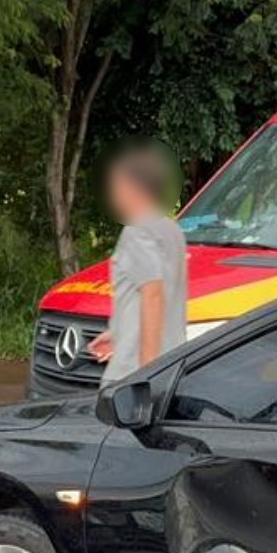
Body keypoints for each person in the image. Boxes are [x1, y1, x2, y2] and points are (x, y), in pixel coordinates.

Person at [90, 142, 187, 383]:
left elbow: (152, 293)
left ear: (132, 186)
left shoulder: (137, 231)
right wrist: (119, 333)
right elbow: (162, 296)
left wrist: (144, 377)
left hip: (132, 376)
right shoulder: (172, 231)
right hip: (171, 369)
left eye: (115, 185)